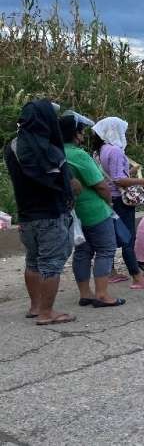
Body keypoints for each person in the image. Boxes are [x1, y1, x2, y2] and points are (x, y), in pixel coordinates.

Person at [4, 100, 79, 325]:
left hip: (26, 216)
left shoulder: (12, 147)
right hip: (51, 214)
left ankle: (35, 307)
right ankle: (47, 313)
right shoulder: (50, 149)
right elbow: (68, 184)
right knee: (52, 264)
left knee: (32, 261)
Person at [61, 113, 125, 308]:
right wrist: (109, 203)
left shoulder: (57, 152)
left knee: (82, 252)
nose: (83, 135)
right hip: (94, 210)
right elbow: (101, 185)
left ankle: (85, 293)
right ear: (76, 134)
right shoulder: (78, 155)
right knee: (105, 249)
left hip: (75, 211)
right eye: (81, 131)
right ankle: (102, 294)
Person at [91, 117, 144, 290]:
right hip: (120, 199)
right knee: (128, 238)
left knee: (111, 236)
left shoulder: (99, 151)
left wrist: (130, 172)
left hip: (107, 198)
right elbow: (119, 180)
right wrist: (143, 181)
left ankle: (111, 272)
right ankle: (137, 276)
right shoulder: (115, 151)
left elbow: (112, 176)